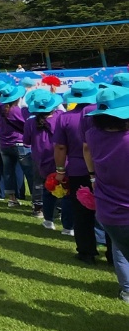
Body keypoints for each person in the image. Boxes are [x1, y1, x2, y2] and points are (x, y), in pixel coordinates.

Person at [83, 86, 129, 302]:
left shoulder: (93, 135)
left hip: (109, 213)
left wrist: (92, 176)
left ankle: (127, 289)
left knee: (120, 250)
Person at [54, 79, 101, 263]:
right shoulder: (103, 113)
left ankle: (86, 252)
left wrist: (59, 170)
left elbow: (60, 147)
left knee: (81, 213)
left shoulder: (65, 117)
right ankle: (114, 254)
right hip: (103, 168)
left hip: (77, 170)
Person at [22, 89, 68, 233]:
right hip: (62, 158)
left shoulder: (30, 122)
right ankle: (67, 224)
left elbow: (26, 141)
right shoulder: (61, 117)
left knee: (47, 189)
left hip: (41, 160)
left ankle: (48, 220)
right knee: (66, 190)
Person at [0, 82, 34, 212]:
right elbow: (25, 125)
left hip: (4, 144)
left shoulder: (0, 109)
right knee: (30, 173)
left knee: (8, 172)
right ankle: (36, 201)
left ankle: (12, 199)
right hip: (19, 143)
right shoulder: (16, 111)